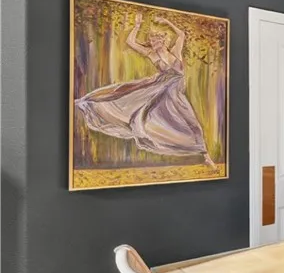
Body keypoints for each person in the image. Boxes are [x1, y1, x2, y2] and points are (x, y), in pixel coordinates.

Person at [75, 13, 216, 168]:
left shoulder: (175, 52)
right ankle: (89, 101)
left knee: (193, 124)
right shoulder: (151, 54)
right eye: (151, 41)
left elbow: (181, 34)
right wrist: (137, 26)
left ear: (163, 40)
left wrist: (166, 21)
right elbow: (130, 42)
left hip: (177, 96)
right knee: (126, 97)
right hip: (160, 93)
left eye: (156, 40)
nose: (153, 43)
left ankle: (206, 157)